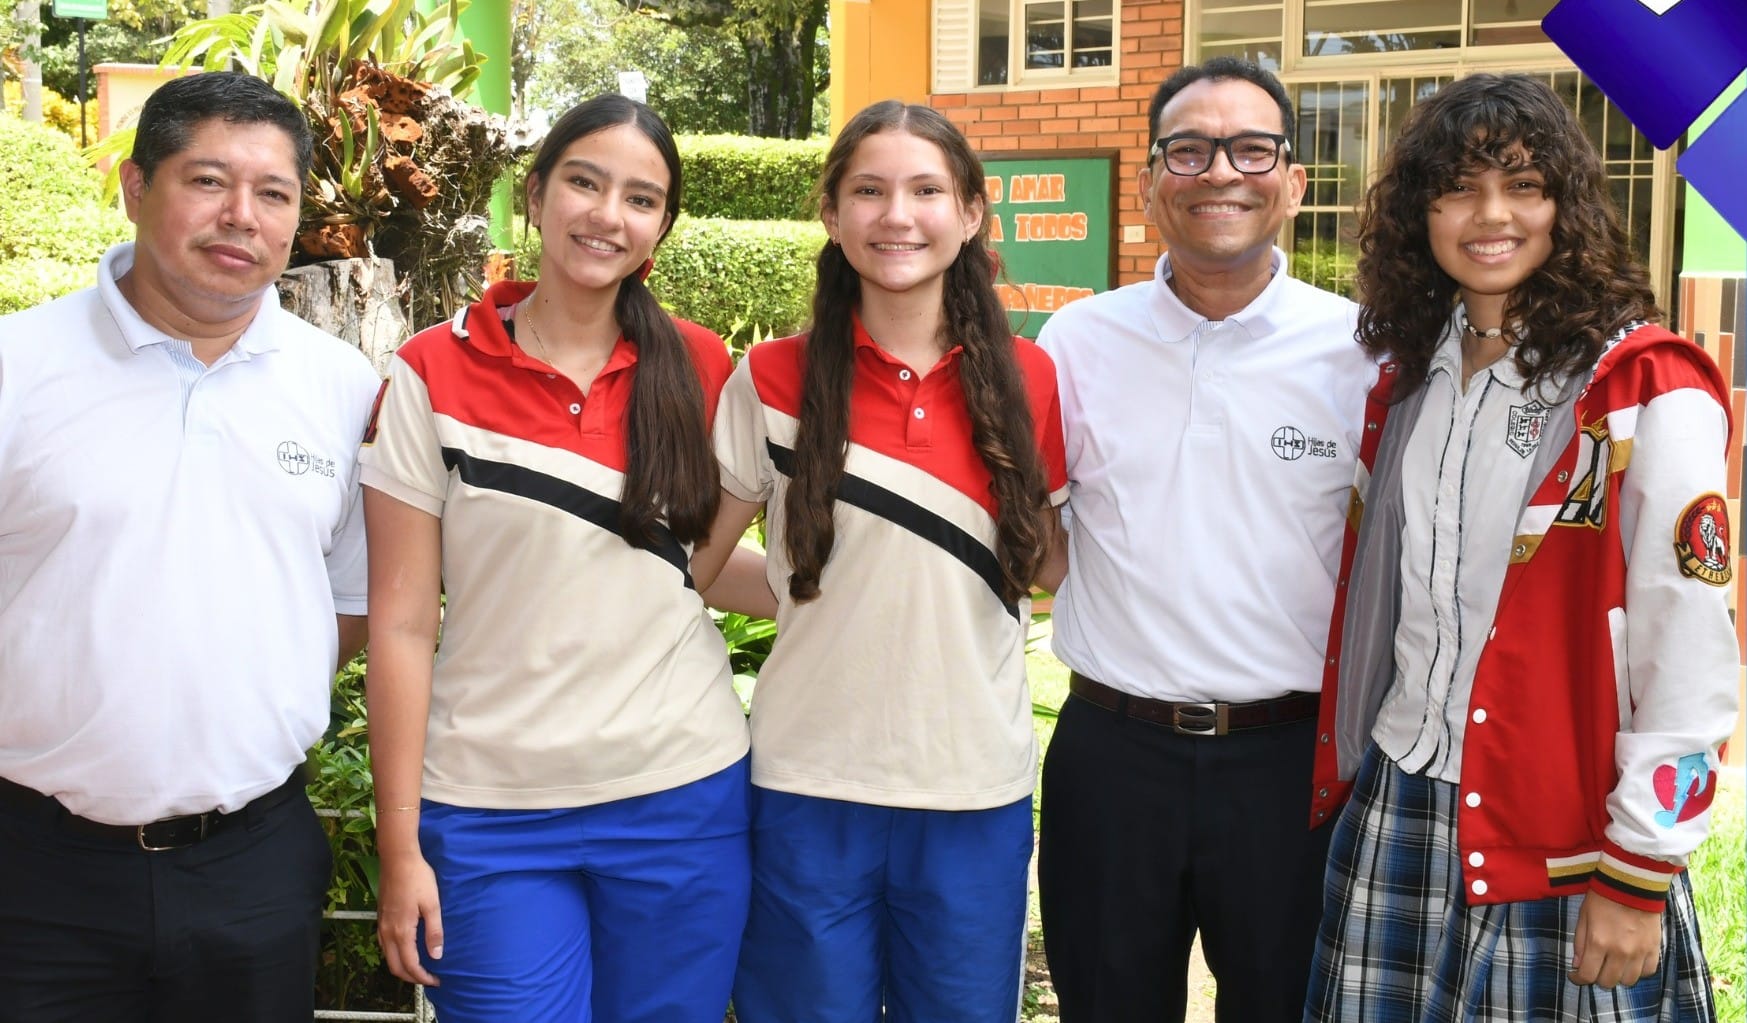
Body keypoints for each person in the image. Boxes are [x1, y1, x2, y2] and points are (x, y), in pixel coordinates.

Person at [1304, 72, 1734, 1023]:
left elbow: (1691, 647)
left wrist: (1638, 869)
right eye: (1457, 186)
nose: (1489, 215)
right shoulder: (1409, 384)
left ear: (1565, 206)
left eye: (1523, 185)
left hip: (1567, 833)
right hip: (1397, 805)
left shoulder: (1641, 387)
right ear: (1420, 211)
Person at [360, 94, 756, 1023]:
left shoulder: (701, 366)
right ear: (533, 196)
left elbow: (690, 565)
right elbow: (404, 621)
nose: (606, 215)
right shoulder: (429, 373)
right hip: (489, 812)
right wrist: (401, 842)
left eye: (641, 198)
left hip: (682, 796)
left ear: (661, 226)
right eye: (584, 181)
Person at [0, 71, 381, 1022]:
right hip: (31, 866)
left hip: (253, 860)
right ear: (136, 188)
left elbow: (355, 598)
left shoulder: (342, 388)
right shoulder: (18, 368)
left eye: (274, 193)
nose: (240, 217)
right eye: (207, 181)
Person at [689, 100, 1067, 1023]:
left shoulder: (1032, 377)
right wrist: (807, 597)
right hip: (804, 783)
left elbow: (1053, 569)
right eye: (868, 190)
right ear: (830, 211)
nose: (897, 215)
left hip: (972, 785)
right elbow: (695, 561)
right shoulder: (771, 376)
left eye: (926, 189)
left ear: (972, 213)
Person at [1033, 56, 1375, 1022]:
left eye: (1251, 148)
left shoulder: (1363, 350)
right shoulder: (1076, 341)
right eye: (1187, 150)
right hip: (1111, 751)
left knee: (1283, 1006)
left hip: (1289, 762)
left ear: (1293, 183)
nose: (1220, 171)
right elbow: (1041, 536)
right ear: (1148, 183)